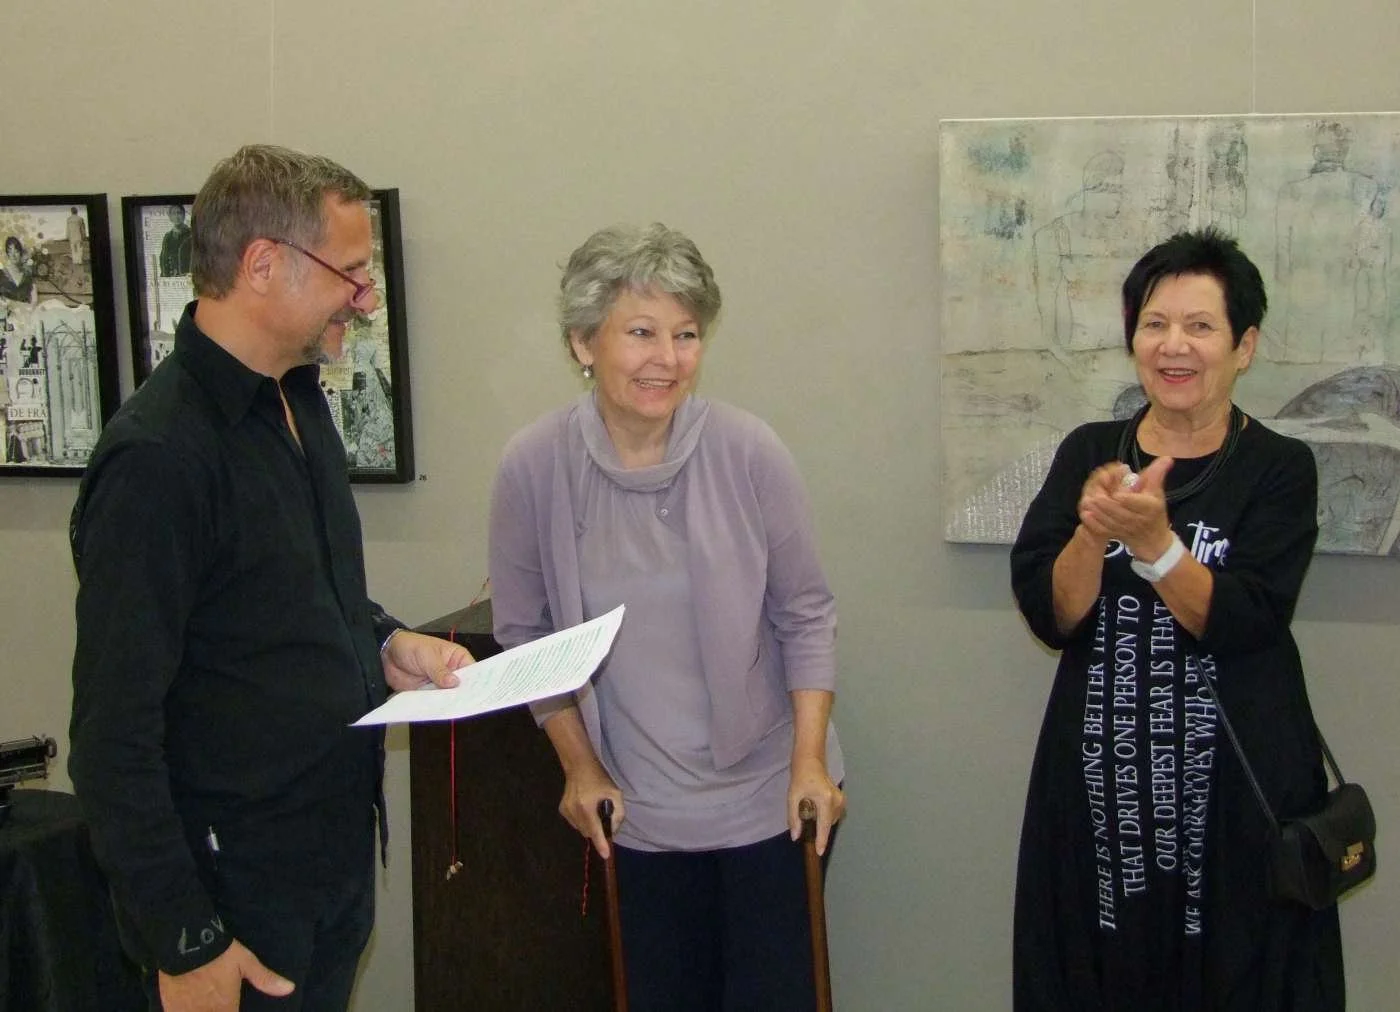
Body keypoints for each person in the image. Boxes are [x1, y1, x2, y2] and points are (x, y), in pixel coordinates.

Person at [69, 144, 474, 1012]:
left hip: (328, 865)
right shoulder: (158, 460)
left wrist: (386, 644)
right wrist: (186, 941)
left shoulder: (299, 399)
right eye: (350, 273)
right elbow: (111, 735)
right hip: (230, 904)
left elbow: (287, 596)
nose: (366, 298)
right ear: (262, 265)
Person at [489, 223, 845, 1009]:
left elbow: (806, 613)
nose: (668, 358)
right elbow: (524, 633)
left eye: (685, 334)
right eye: (641, 332)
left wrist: (810, 761)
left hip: (767, 798)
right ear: (582, 342)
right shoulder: (534, 465)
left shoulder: (749, 451)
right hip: (637, 810)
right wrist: (579, 765)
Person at [1009, 228, 1344, 1011]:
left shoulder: (1279, 467)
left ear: (1243, 345)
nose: (1174, 346)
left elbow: (1249, 619)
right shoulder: (1090, 451)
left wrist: (1157, 546)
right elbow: (1051, 614)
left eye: (1200, 326)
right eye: (1155, 324)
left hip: (1235, 802)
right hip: (1103, 799)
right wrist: (1094, 531)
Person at [0, 236, 36, 304]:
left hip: (26, 309)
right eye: (10, 251)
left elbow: (34, 301)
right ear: (7, 253)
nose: (13, 255)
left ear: (20, 253)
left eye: (16, 251)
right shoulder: (1, 274)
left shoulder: (27, 276)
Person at [160, 203, 193, 276]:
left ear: (184, 215)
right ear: (170, 217)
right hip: (173, 278)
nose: (177, 216)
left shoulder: (191, 234)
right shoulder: (168, 237)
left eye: (179, 213)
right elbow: (164, 259)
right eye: (174, 214)